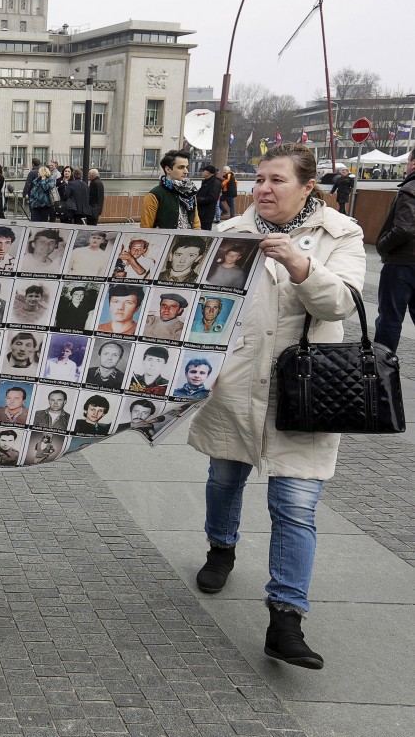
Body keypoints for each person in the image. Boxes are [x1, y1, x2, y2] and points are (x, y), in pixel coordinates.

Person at [188, 142, 365, 670]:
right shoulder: (227, 235)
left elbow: (342, 305)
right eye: (258, 179)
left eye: (276, 180)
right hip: (238, 381)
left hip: (306, 388)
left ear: (307, 186)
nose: (263, 188)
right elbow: (203, 307)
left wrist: (301, 264)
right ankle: (221, 546)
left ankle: (285, 619)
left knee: (294, 506)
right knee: (225, 478)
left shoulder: (342, 235)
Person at [373, 147, 415, 352]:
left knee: (389, 319)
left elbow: (403, 229)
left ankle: (382, 369)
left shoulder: (410, 188)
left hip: (401, 264)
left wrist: (382, 245)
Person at [141, 149, 199, 230]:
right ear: (168, 169)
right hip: (163, 241)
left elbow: (196, 225)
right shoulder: (155, 195)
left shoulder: (190, 192)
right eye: (181, 167)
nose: (186, 171)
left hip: (188, 241)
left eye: (187, 167)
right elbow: (145, 228)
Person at [196, 165, 222, 231]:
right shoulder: (206, 181)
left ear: (208, 172)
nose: (202, 172)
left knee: (205, 230)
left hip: (207, 212)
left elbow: (212, 197)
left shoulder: (215, 182)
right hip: (201, 210)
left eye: (203, 171)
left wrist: (197, 200)